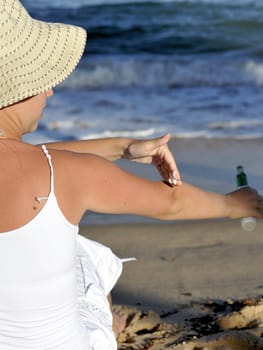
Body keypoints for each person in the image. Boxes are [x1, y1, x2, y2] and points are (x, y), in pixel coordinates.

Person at [0, 1, 262, 349]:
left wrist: (124, 147)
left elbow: (31, 156)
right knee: (87, 257)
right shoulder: (65, 174)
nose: (50, 90)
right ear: (17, 90)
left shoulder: (54, 167)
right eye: (42, 80)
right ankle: (108, 328)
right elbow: (172, 203)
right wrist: (235, 204)